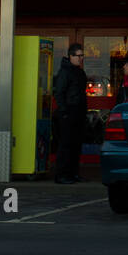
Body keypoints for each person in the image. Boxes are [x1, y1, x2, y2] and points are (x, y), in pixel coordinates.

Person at [52, 44, 88, 184]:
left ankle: (73, 173)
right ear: (71, 56)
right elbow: (59, 93)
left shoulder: (79, 72)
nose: (81, 58)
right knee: (66, 145)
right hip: (68, 112)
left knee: (76, 145)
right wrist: (64, 112)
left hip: (78, 112)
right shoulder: (65, 72)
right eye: (78, 55)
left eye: (82, 55)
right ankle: (61, 175)